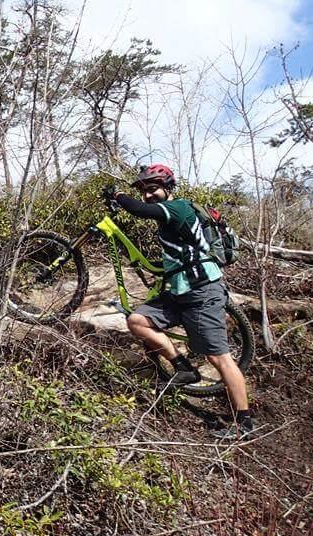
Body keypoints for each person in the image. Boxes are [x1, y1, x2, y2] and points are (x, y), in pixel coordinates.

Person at [106, 164, 255, 440]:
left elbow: (139, 210)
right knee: (137, 321)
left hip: (201, 292)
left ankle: (244, 422)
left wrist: (118, 196)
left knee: (218, 358)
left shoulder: (179, 209)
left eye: (153, 189)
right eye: (145, 191)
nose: (148, 196)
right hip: (178, 292)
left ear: (168, 188)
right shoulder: (168, 217)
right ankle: (183, 368)